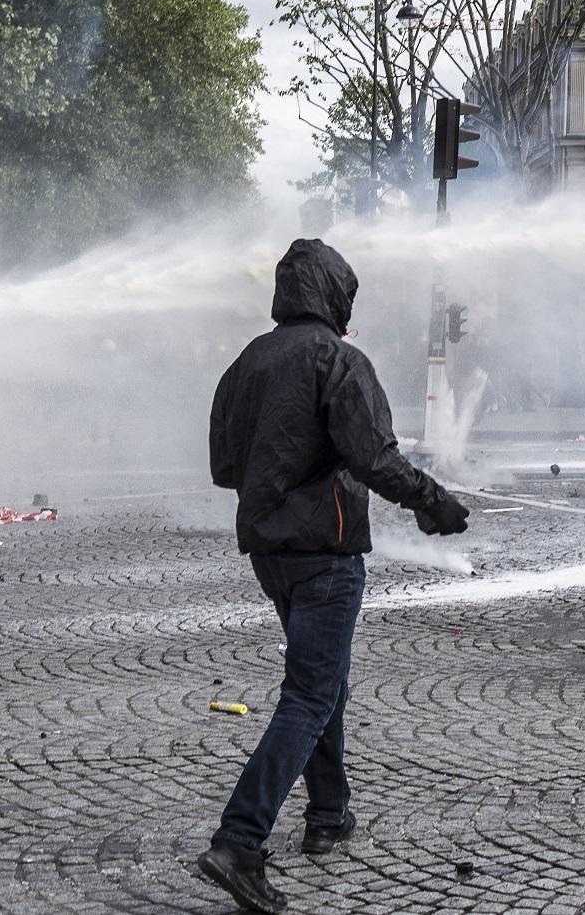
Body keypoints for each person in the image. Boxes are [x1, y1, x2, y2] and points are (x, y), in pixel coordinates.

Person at [198, 240, 470, 914]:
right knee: (311, 693)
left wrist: (280, 477)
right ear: (336, 295)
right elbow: (374, 455)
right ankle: (239, 838)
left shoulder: (246, 363)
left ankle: (328, 811)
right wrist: (432, 500)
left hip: (270, 552)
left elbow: (225, 465)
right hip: (326, 548)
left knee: (323, 681)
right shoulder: (337, 359)